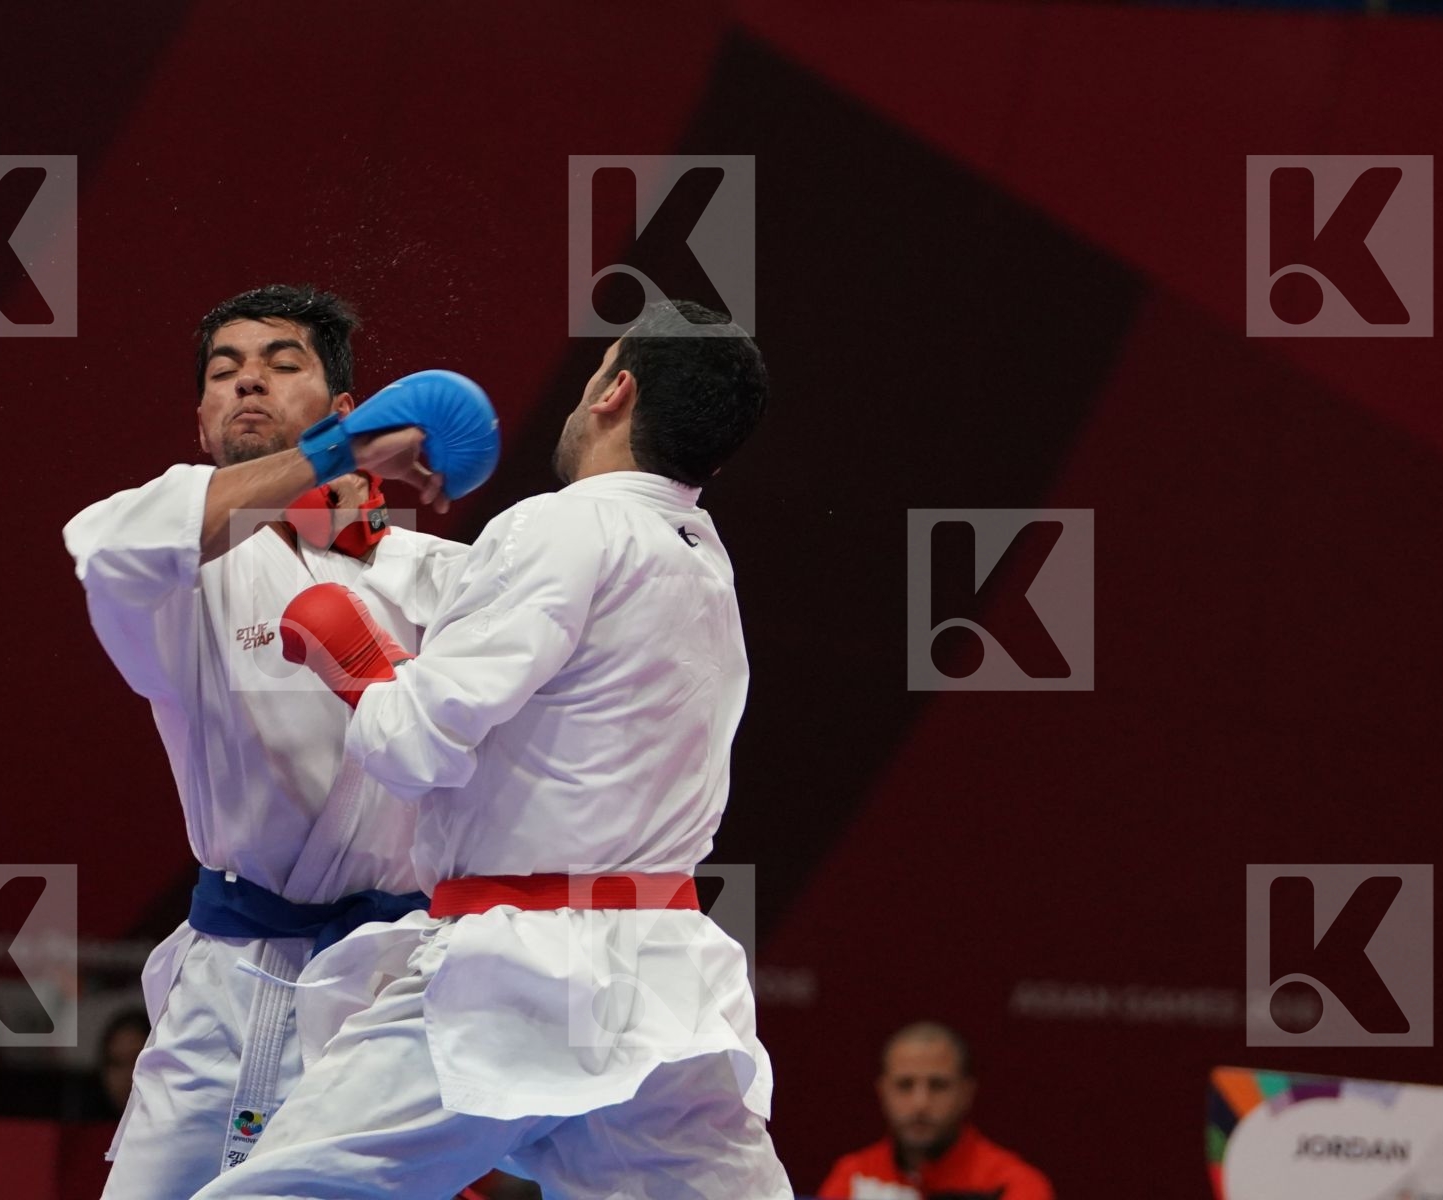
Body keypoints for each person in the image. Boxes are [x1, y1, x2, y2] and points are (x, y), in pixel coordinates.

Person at [194, 300, 789, 1198]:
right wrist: (365, 546)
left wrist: (362, 664)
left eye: (597, 370)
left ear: (615, 391)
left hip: (522, 973)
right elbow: (507, 595)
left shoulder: (560, 524)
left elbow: (411, 746)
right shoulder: (695, 553)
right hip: (663, 982)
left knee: (284, 1189)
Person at [62, 283, 491, 1198]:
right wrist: (327, 458)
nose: (247, 382)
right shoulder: (179, 565)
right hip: (228, 982)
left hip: (388, 990)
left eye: (281, 363)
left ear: (346, 405)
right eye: (225, 372)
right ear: (203, 420)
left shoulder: (448, 575)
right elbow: (106, 552)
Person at [819, 1022, 1053, 1200]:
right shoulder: (852, 1176)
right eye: (905, 1085)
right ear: (883, 1091)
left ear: (966, 1092)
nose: (921, 1102)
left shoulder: (1012, 1185)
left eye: (938, 1085)